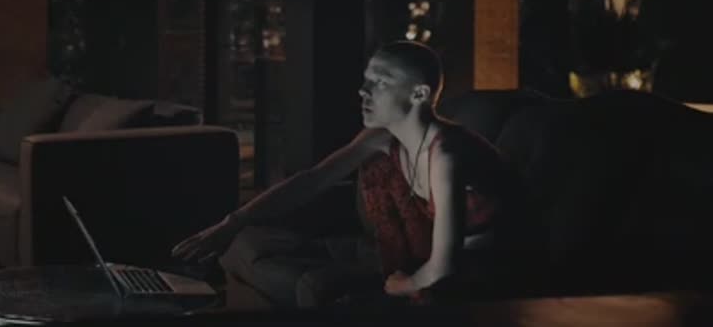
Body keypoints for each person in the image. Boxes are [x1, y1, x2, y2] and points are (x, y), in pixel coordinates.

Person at [171, 41, 532, 306]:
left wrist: (404, 285)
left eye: (381, 82)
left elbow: (444, 266)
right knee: (243, 242)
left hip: (484, 266)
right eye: (366, 80)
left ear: (419, 94)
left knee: (325, 287)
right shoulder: (381, 138)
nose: (363, 91)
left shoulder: (446, 154)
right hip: (423, 253)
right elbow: (312, 180)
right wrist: (232, 222)